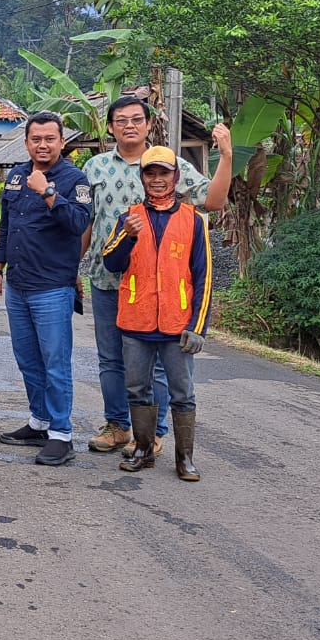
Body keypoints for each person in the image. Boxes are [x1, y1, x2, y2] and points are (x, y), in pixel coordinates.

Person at [81, 95, 231, 457]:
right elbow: (88, 222)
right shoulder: (95, 167)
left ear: (149, 124)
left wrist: (225, 156)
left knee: (162, 364)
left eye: (136, 119)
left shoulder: (169, 164)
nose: (128, 125)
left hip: (159, 286)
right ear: (111, 127)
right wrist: (77, 266)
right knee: (111, 360)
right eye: (120, 120)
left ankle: (155, 431)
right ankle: (117, 424)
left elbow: (212, 201)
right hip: (108, 278)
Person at [99, 147, 214, 481]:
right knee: (137, 389)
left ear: (175, 177)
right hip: (137, 322)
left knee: (183, 392)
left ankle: (184, 459)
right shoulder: (129, 217)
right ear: (142, 178)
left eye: (164, 173)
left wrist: (198, 326)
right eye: (151, 173)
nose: (157, 180)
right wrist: (127, 237)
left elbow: (203, 276)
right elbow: (112, 263)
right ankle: (144, 451)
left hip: (178, 326)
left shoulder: (193, 220)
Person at [0, 112, 93, 467]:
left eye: (50, 139)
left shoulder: (75, 180)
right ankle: (40, 421)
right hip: (17, 285)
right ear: (27, 142)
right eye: (36, 139)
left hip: (52, 288)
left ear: (62, 142)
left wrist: (48, 193)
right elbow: (7, 227)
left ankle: (62, 435)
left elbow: (79, 223)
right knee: (28, 360)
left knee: (55, 364)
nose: (43, 145)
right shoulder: (16, 176)